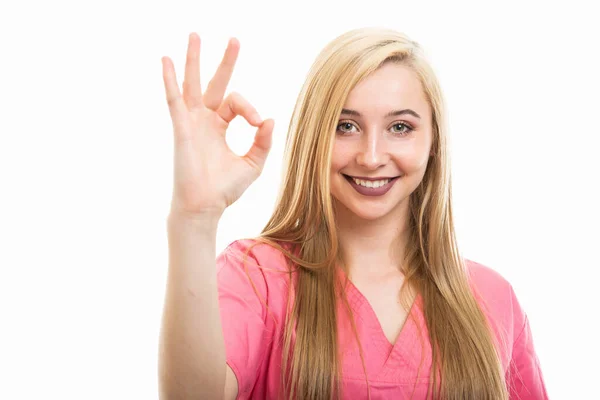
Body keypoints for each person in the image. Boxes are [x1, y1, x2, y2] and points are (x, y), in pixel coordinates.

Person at [158, 27, 548, 400]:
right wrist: (193, 220)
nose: (372, 156)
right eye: (345, 126)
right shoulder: (258, 276)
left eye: (400, 126)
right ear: (314, 136)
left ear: (434, 143)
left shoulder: (493, 297)